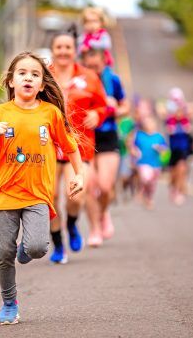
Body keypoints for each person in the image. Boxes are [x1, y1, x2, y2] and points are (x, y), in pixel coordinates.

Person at [0, 52, 84, 325]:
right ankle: (9, 303)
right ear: (11, 81)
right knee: (2, 254)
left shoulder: (51, 113)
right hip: (5, 193)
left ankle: (25, 248)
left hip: (38, 193)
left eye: (35, 74)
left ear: (42, 85)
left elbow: (71, 147)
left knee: (36, 248)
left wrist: (79, 175)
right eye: (22, 73)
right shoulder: (0, 114)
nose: (28, 78)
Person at [48, 30, 107, 263]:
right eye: (59, 47)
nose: (63, 51)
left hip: (78, 146)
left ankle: (72, 224)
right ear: (53, 50)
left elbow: (103, 107)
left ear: (75, 51)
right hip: (49, 146)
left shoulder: (89, 77)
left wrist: (96, 114)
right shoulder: (44, 75)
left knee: (75, 196)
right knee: (49, 197)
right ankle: (58, 245)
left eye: (67, 47)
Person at [81, 49, 128, 247]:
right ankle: (94, 229)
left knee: (105, 186)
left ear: (104, 62)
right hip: (85, 136)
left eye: (96, 66)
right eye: (89, 66)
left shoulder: (113, 80)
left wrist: (113, 109)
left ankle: (103, 212)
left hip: (108, 135)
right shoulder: (79, 81)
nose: (93, 70)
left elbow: (125, 107)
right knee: (89, 186)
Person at [157, 87, 193, 205]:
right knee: (174, 173)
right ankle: (174, 188)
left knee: (182, 169)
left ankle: (179, 191)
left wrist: (184, 106)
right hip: (172, 149)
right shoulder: (169, 119)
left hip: (184, 149)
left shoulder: (186, 119)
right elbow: (159, 108)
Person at [129, 115, 168, 210]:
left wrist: (160, 148)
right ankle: (141, 191)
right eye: (146, 123)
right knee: (145, 178)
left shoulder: (159, 137)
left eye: (150, 123)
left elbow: (165, 149)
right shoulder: (139, 135)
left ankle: (149, 197)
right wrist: (134, 152)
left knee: (152, 183)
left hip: (155, 163)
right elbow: (132, 147)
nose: (148, 125)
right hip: (142, 163)